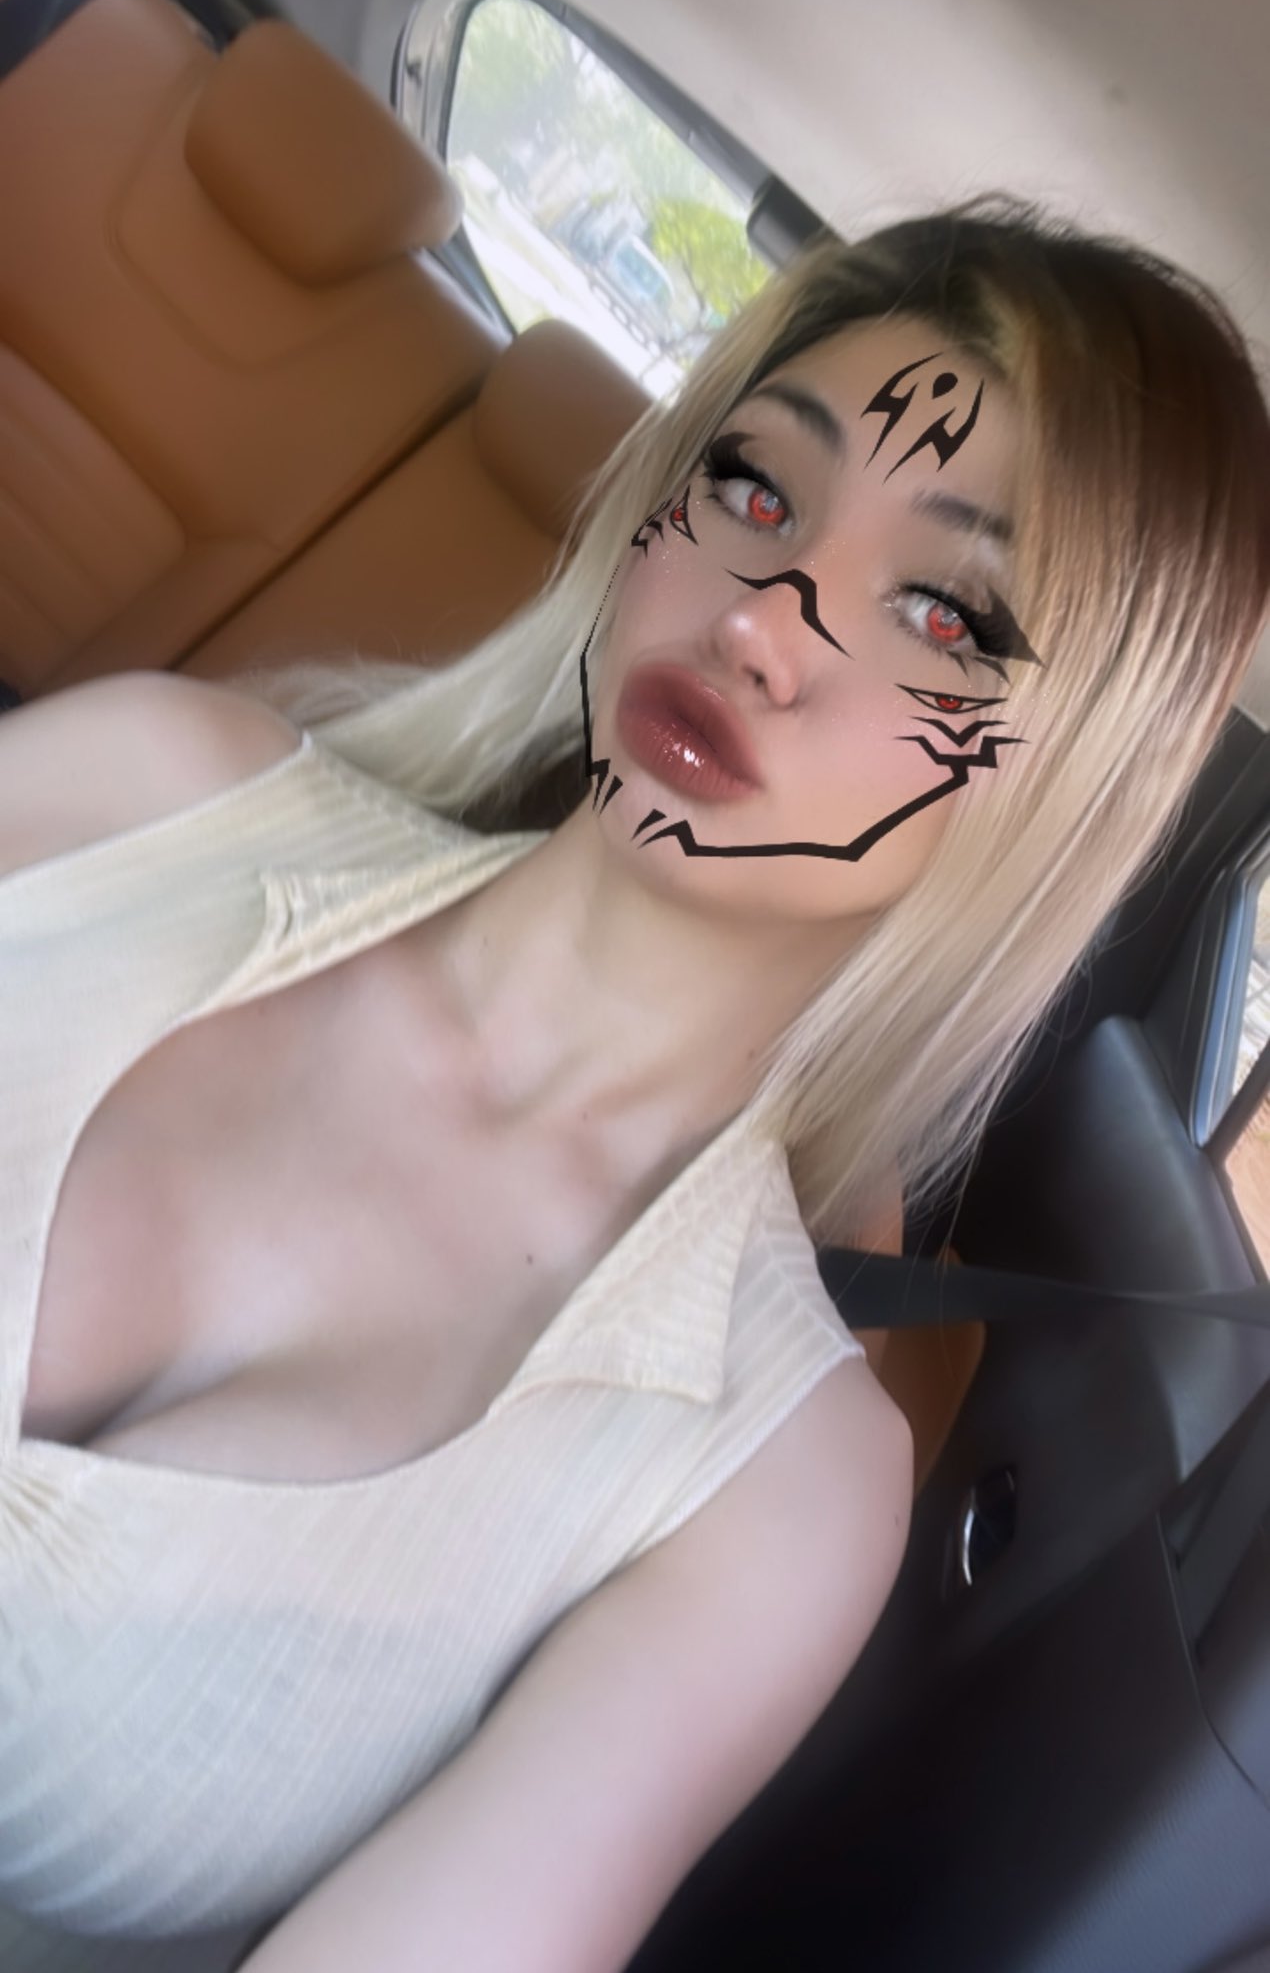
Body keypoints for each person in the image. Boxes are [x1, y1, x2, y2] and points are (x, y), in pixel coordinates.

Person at [0, 197, 1266, 1973]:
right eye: (753, 489)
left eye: (942, 611)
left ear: (1057, 783)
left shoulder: (779, 1486)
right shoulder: (134, 791)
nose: (763, 621)